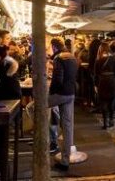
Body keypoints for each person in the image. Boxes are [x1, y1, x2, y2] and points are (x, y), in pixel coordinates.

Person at [49, 38, 78, 171]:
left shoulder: (58, 59)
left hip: (60, 94)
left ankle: (51, 138)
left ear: (54, 47)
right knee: (67, 126)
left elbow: (57, 80)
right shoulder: (72, 57)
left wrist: (50, 94)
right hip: (71, 93)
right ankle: (65, 160)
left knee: (33, 106)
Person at [94, 42, 115, 129]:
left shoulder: (98, 60)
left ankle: (105, 123)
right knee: (111, 102)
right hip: (112, 81)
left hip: (102, 81)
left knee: (103, 102)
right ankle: (111, 120)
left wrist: (95, 85)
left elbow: (96, 74)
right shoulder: (113, 59)